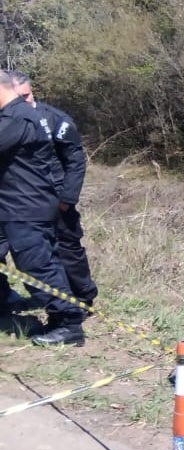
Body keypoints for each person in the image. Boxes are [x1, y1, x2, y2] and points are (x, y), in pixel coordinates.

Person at [0, 70, 85, 346]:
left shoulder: (18, 118)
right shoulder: (13, 117)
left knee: (37, 266)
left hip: (26, 207)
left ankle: (68, 322)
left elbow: (74, 158)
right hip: (12, 205)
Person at [9, 70, 98, 313]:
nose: (22, 102)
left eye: (25, 96)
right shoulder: (6, 122)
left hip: (55, 198)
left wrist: (66, 200)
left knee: (67, 249)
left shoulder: (56, 120)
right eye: (16, 97)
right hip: (17, 202)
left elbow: (75, 161)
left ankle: (82, 298)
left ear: (32, 91)